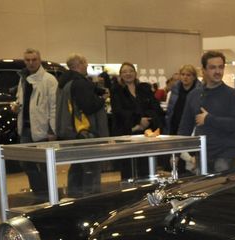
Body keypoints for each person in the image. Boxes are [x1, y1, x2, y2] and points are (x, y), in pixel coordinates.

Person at [178, 51, 235, 173]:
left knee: (222, 185)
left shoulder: (233, 95)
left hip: (225, 155)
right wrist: (178, 153)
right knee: (202, 185)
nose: (218, 71)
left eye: (220, 67)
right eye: (213, 67)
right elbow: (185, 126)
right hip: (201, 154)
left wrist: (209, 119)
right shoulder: (194, 95)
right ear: (204, 70)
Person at [55, 53, 109, 197]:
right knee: (91, 168)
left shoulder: (65, 83)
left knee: (77, 167)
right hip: (86, 133)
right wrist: (102, 99)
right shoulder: (79, 83)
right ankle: (91, 199)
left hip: (73, 133)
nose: (87, 66)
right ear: (79, 65)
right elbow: (89, 106)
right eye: (85, 63)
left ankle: (75, 197)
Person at [13, 48, 58, 197]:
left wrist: (52, 130)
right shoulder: (23, 79)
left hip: (44, 130)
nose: (31, 63)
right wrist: (16, 106)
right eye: (28, 60)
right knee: (26, 163)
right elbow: (20, 99)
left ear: (40, 60)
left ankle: (51, 195)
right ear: (24, 61)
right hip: (25, 129)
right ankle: (40, 193)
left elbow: (54, 106)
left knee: (45, 165)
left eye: (34, 60)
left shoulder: (49, 80)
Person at [111, 62, 164, 181]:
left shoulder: (144, 88)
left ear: (135, 73)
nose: (128, 74)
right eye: (124, 72)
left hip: (146, 133)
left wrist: (147, 120)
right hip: (127, 132)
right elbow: (118, 111)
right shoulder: (116, 90)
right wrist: (138, 120)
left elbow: (155, 107)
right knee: (128, 167)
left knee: (145, 166)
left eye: (130, 71)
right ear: (120, 75)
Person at [165, 64, 200, 135]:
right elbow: (170, 108)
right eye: (183, 74)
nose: (185, 77)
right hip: (174, 124)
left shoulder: (199, 90)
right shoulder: (175, 88)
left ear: (194, 77)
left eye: (188, 75)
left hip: (190, 126)